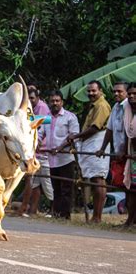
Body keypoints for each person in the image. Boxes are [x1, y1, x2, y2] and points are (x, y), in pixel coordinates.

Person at [68, 80, 111, 223]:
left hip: (98, 143)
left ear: (100, 91)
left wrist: (76, 136)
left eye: (94, 91)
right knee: (94, 179)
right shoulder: (94, 105)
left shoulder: (102, 106)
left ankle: (97, 217)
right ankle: (95, 216)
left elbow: (95, 128)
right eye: (89, 91)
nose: (91, 93)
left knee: (98, 179)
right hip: (91, 144)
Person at [41, 90, 80, 219]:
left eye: (57, 101)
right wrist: (36, 143)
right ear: (49, 102)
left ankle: (65, 214)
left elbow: (73, 136)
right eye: (52, 101)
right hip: (52, 159)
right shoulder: (46, 118)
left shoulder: (70, 117)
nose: (55, 103)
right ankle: (56, 213)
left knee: (66, 188)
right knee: (55, 187)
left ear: (62, 102)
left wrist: (60, 148)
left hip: (66, 158)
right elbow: (40, 133)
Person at [18, 87, 51, 216]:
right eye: (28, 98)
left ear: (37, 97)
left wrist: (35, 144)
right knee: (34, 181)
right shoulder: (27, 109)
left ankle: (26, 207)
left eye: (32, 98)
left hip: (41, 150)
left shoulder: (41, 108)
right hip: (31, 148)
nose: (30, 101)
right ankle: (30, 209)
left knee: (33, 179)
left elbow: (39, 129)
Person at [96, 82, 128, 185]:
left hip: (128, 153)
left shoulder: (129, 107)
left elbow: (130, 133)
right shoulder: (115, 107)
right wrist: (102, 148)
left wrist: (124, 150)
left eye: (119, 91)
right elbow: (109, 130)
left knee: (130, 186)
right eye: (114, 91)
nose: (116, 94)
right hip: (119, 153)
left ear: (127, 93)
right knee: (121, 184)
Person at [122, 82, 136, 226]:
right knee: (131, 188)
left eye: (135, 94)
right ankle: (130, 219)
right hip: (132, 154)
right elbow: (128, 133)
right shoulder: (127, 109)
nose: (132, 96)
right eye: (130, 93)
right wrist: (124, 150)